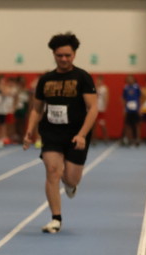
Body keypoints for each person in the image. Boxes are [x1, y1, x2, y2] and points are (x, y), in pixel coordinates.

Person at [23, 32, 97, 234]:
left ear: (74, 55)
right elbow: (37, 109)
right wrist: (30, 130)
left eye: (67, 55)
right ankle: (56, 218)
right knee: (52, 171)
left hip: (76, 133)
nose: (64, 59)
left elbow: (92, 109)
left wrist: (82, 134)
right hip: (52, 132)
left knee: (71, 178)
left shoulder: (82, 77)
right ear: (54, 55)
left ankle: (70, 185)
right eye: (59, 56)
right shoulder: (46, 79)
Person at [121, 75, 141, 147]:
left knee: (137, 125)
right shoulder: (126, 88)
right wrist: (124, 108)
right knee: (128, 125)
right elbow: (123, 98)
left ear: (134, 79)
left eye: (131, 79)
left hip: (136, 109)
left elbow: (140, 97)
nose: (130, 80)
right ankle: (130, 140)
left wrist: (139, 108)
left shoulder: (137, 87)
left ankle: (138, 139)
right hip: (128, 109)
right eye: (128, 79)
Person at [94, 76, 109, 143]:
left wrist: (105, 106)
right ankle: (94, 139)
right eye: (97, 80)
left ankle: (106, 138)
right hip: (94, 109)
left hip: (101, 109)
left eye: (100, 80)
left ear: (102, 81)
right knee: (93, 125)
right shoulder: (94, 88)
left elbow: (106, 97)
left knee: (102, 124)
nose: (98, 82)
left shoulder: (104, 88)